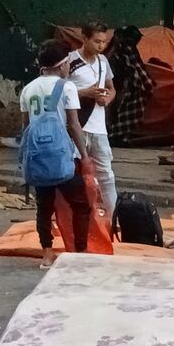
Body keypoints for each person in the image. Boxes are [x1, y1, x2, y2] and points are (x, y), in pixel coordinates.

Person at [20, 40, 91, 269]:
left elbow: (26, 128)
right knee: (81, 204)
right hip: (61, 159)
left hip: (38, 158)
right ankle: (79, 252)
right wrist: (85, 156)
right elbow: (73, 125)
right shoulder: (66, 87)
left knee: (44, 207)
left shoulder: (28, 89)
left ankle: (47, 255)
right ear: (62, 65)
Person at [68, 21, 118, 217]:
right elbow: (61, 92)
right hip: (76, 124)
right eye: (97, 41)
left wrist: (107, 98)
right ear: (85, 38)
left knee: (106, 174)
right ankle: (75, 215)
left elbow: (111, 87)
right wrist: (85, 93)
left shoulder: (103, 62)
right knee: (74, 172)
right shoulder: (70, 61)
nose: (101, 46)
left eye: (104, 42)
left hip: (99, 127)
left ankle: (113, 217)